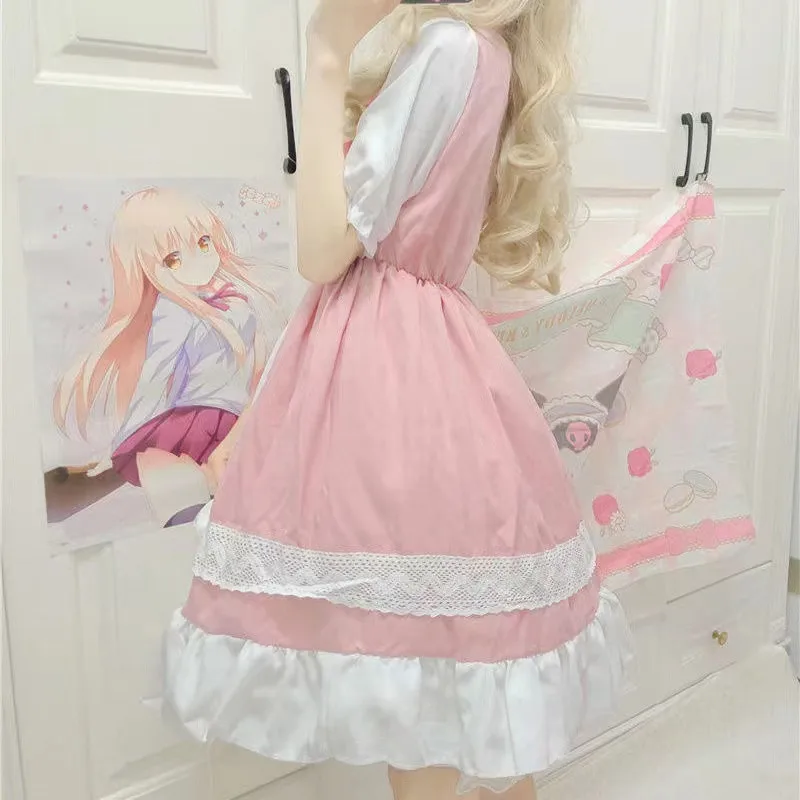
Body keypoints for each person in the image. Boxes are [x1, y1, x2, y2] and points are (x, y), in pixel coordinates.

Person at [163, 2, 632, 798]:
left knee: (418, 677)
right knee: (456, 669)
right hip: (432, 362)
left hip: (386, 373)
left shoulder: (450, 48)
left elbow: (323, 249)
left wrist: (326, 54)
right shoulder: (488, 54)